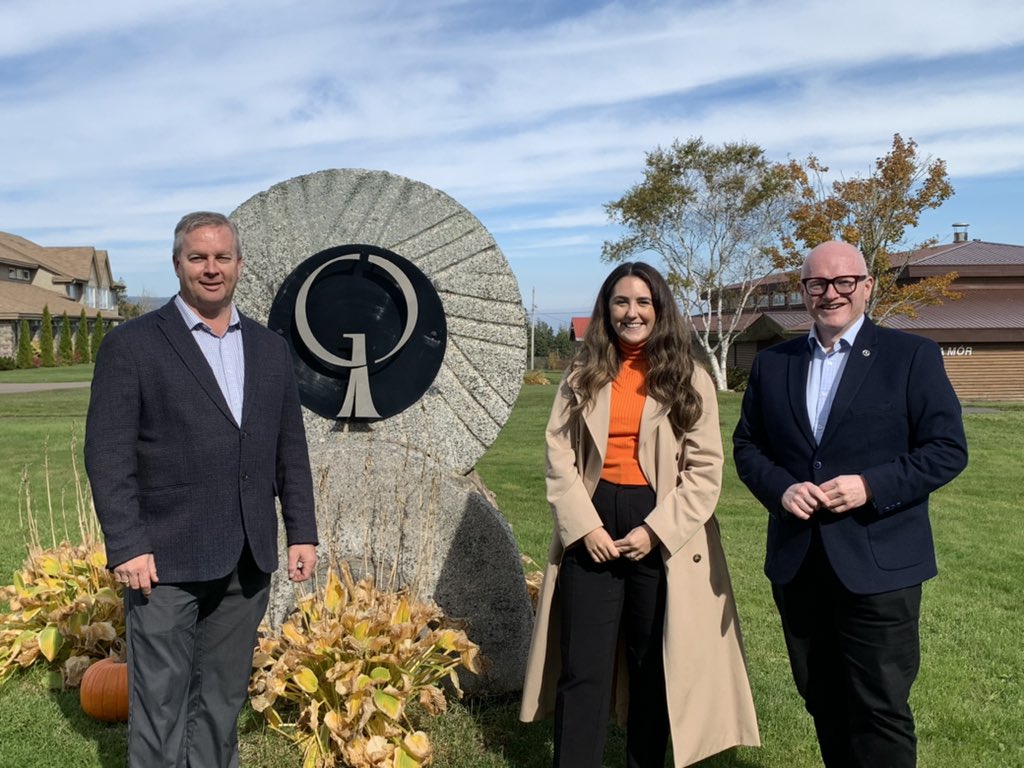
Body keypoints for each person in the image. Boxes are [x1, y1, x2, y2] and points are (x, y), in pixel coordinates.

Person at [84, 211, 319, 768]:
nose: (210, 269)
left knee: (221, 700)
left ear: (239, 264)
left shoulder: (269, 348)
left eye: (221, 258)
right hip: (163, 559)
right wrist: (127, 543)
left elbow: (290, 446)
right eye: (198, 258)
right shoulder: (133, 345)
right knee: (160, 703)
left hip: (246, 557)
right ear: (177, 265)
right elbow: (108, 454)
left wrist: (301, 532)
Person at [733, 240, 968, 768]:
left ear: (866, 286)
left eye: (843, 282)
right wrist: (780, 489)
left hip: (879, 565)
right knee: (823, 700)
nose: (830, 293)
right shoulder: (775, 364)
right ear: (803, 292)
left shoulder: (911, 357)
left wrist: (871, 485)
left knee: (879, 708)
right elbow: (748, 446)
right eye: (817, 283)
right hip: (800, 565)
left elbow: (947, 450)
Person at [520, 262, 760, 768]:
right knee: (583, 667)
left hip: (662, 528)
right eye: (621, 302)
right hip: (593, 518)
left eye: (643, 302)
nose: (632, 312)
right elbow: (558, 454)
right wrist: (584, 527)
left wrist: (656, 531)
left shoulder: (688, 376)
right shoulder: (583, 373)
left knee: (652, 663)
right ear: (607, 310)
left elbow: (705, 470)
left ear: (659, 309)